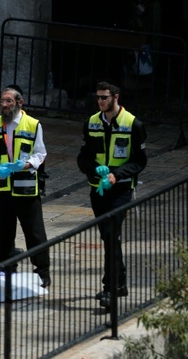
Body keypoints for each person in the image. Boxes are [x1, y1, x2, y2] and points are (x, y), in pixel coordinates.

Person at [77, 81, 147, 308]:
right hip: (98, 189)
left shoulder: (133, 124)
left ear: (116, 97)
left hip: (121, 189)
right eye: (98, 97)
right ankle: (120, 282)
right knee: (109, 238)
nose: (100, 101)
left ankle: (110, 288)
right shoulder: (92, 123)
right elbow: (83, 156)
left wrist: (117, 174)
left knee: (111, 233)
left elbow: (140, 160)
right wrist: (93, 169)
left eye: (104, 97)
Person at [0, 84, 51, 288]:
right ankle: (7, 268)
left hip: (26, 187)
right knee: (5, 233)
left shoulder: (33, 124)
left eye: (8, 101)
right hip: (3, 187)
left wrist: (26, 164)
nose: (4, 105)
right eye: (2, 101)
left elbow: (40, 153)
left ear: (19, 103)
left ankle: (42, 272)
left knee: (34, 232)